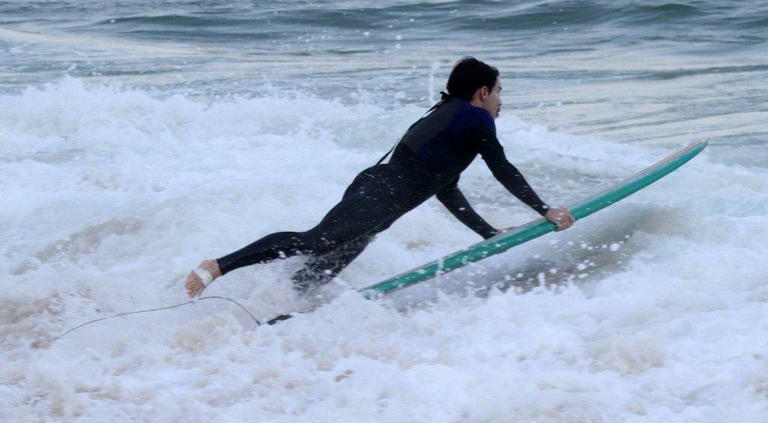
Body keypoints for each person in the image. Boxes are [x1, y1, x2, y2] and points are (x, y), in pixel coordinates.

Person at [185, 57, 575, 298]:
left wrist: (487, 233)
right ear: (483, 91)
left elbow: (444, 189)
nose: (501, 101)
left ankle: (287, 306)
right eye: (499, 92)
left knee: (326, 263)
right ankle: (217, 265)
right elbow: (502, 166)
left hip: (377, 191)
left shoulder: (452, 119)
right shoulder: (472, 117)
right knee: (318, 241)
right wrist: (545, 210)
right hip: (380, 193)